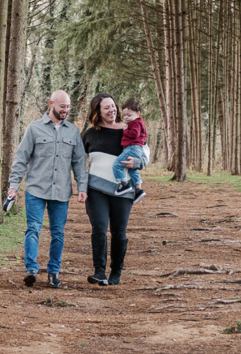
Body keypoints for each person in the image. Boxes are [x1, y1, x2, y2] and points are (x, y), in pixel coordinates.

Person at [8, 90, 87, 289]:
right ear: (51, 103)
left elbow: (79, 162)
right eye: (62, 106)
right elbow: (21, 159)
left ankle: (53, 272)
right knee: (33, 229)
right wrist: (14, 185)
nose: (66, 110)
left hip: (61, 191)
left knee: (58, 233)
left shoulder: (72, 132)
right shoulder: (34, 129)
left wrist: (82, 186)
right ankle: (31, 270)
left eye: (68, 107)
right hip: (35, 189)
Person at [80, 93, 147, 286]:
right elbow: (78, 160)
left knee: (119, 231)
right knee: (99, 228)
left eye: (113, 106)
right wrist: (81, 185)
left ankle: (116, 271)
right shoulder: (90, 134)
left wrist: (139, 162)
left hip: (123, 189)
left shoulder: (129, 128)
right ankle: (99, 271)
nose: (112, 110)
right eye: (106, 108)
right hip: (96, 189)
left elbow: (145, 151)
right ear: (97, 112)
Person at [112, 97, 147, 203]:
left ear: (138, 113)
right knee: (132, 170)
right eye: (125, 115)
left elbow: (134, 134)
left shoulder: (135, 123)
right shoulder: (137, 122)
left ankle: (124, 184)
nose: (126, 118)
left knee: (117, 165)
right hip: (136, 148)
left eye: (129, 115)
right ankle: (138, 189)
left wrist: (125, 131)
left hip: (132, 147)